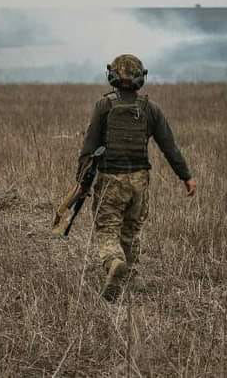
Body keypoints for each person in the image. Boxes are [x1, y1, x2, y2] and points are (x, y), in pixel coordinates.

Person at [78, 53, 196, 302]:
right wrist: (186, 176)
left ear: (112, 76)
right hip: (140, 182)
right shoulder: (150, 109)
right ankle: (129, 276)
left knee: (107, 230)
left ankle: (114, 263)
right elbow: (169, 146)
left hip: (111, 180)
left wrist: (82, 183)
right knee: (131, 231)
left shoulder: (103, 106)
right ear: (140, 78)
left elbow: (89, 148)